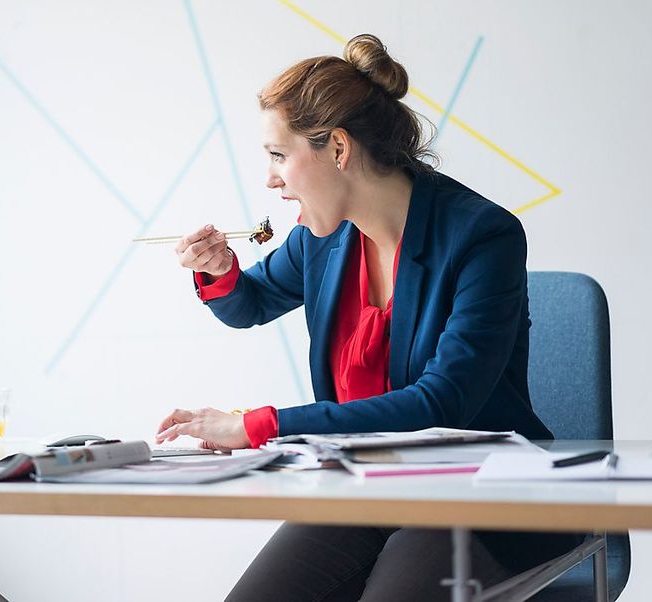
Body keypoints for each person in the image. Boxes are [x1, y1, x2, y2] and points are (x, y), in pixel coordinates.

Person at [154, 33, 581, 601]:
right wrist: (221, 270)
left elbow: (441, 403)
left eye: (279, 156)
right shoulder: (321, 241)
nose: (270, 179)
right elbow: (250, 304)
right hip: (366, 487)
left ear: (337, 148)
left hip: (483, 494)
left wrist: (257, 425)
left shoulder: (483, 236)